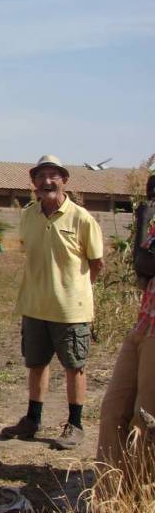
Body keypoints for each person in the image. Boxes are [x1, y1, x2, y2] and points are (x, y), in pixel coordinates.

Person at [1, 155, 104, 450]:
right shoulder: (28, 215)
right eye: (41, 176)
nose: (47, 181)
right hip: (34, 306)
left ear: (64, 181)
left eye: (53, 176)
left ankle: (75, 425)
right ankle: (32, 420)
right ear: (33, 182)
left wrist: (77, 291)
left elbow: (96, 263)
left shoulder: (81, 218)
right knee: (36, 364)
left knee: (74, 367)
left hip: (70, 310)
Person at [96, 172, 155, 472]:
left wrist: (144, 215)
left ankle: (140, 490)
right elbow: (142, 272)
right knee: (113, 410)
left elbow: (145, 263)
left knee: (145, 418)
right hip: (144, 325)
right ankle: (109, 489)